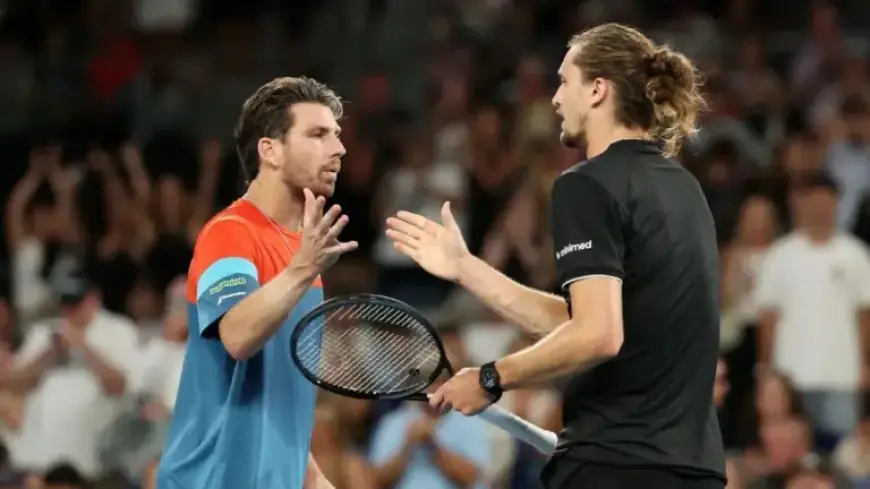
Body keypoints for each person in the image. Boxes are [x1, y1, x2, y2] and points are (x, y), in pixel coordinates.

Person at [386, 23, 724, 489]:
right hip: (693, 470)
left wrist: (490, 378)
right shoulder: (686, 188)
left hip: (614, 466)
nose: (555, 99)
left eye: (565, 81)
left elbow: (598, 334)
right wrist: (466, 268)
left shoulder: (585, 184)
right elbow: (584, 320)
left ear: (598, 90)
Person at [156, 77, 358, 489]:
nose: (338, 149)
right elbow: (237, 335)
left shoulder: (304, 259)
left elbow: (282, 414)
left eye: (336, 136)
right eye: (318, 134)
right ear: (271, 150)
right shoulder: (230, 233)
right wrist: (302, 269)